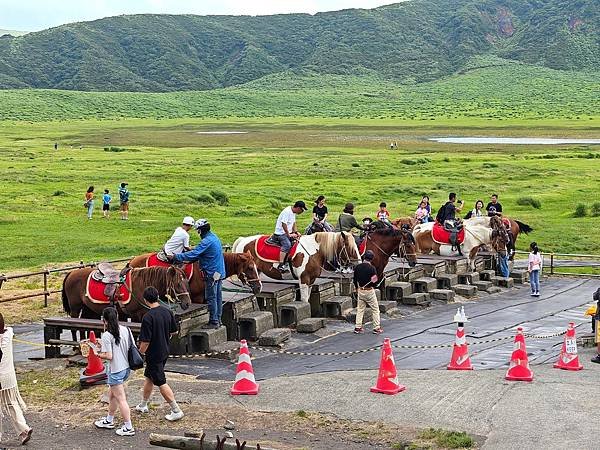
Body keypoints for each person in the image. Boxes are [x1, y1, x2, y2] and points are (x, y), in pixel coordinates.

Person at [136, 287, 183, 421]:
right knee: (149, 377)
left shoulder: (148, 317)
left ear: (145, 300)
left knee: (161, 381)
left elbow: (145, 341)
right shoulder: (167, 312)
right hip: (165, 350)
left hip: (153, 354)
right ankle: (143, 404)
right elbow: (174, 332)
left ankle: (176, 409)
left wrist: (140, 353)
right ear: (158, 297)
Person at [172, 219, 225, 328]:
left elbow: (194, 254)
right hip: (219, 272)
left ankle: (213, 322)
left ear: (200, 231)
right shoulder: (214, 237)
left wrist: (176, 257)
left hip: (211, 273)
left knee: (211, 297)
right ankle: (218, 320)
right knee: (218, 297)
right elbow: (200, 254)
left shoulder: (206, 241)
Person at [93, 307, 135, 436]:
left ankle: (128, 427)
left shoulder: (107, 335)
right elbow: (130, 346)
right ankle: (109, 420)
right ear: (117, 317)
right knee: (112, 395)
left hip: (115, 370)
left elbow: (109, 356)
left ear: (104, 320)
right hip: (126, 368)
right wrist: (103, 346)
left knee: (121, 399)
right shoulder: (126, 329)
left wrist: (97, 353)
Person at [0, 313, 33, 445]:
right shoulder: (8, 335)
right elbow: (9, 328)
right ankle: (24, 429)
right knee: (11, 403)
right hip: (9, 378)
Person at [272, 201, 307, 272]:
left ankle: (290, 261)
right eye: (302, 210)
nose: (302, 212)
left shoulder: (293, 213)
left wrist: (296, 232)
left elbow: (293, 223)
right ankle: (281, 265)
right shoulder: (287, 212)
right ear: (298, 208)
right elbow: (283, 224)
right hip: (280, 233)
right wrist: (289, 234)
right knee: (287, 245)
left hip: (288, 232)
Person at [353, 250, 382, 334]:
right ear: (371, 259)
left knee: (360, 309)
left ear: (364, 257)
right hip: (369, 291)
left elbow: (354, 280)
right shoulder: (372, 268)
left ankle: (358, 327)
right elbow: (375, 283)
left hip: (361, 290)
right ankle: (376, 328)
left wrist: (356, 288)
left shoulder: (358, 267)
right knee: (375, 309)